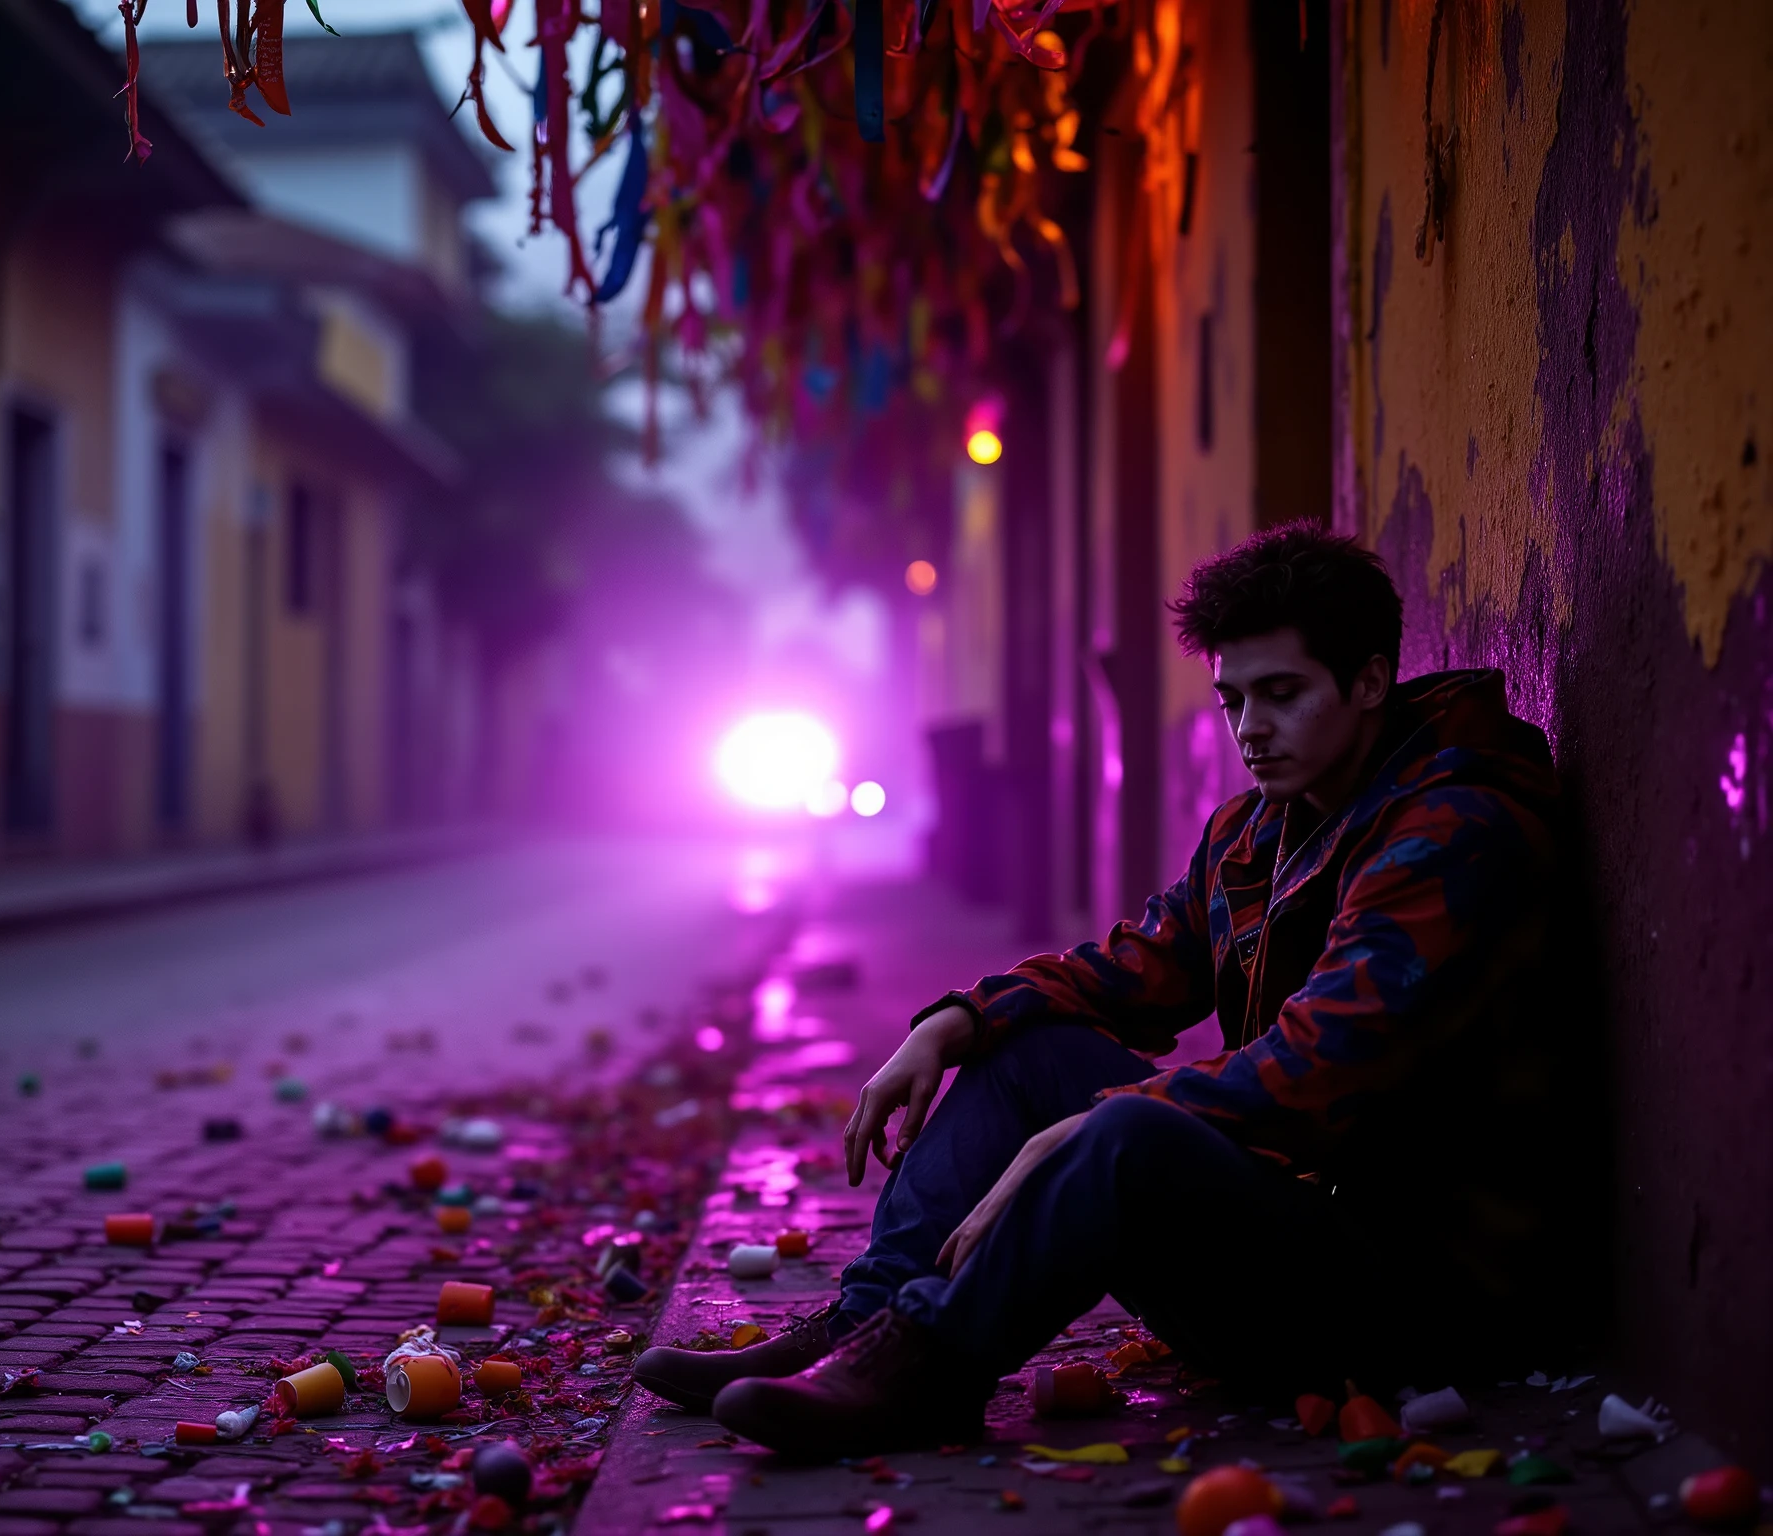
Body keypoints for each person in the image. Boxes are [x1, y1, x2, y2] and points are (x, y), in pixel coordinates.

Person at [634, 521, 1589, 1458]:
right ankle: (865, 1329)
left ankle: (929, 1370)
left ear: (1371, 680)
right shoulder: (1258, 831)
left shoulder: (1458, 830)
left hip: (1420, 1303)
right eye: (1234, 702)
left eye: (1283, 695)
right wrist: (956, 1023)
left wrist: (1089, 1128)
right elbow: (1132, 970)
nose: (1252, 731)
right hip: (1296, 1233)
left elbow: (1320, 1070)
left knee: (1126, 1134)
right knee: (1028, 1044)